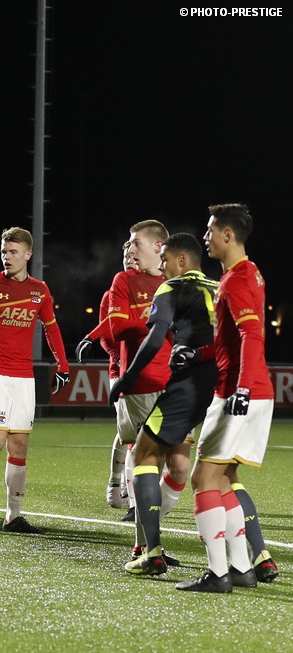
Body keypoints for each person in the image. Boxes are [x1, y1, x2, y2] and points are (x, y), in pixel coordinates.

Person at [174, 203, 279, 592]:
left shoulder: (236, 280)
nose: (205, 237)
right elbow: (232, 342)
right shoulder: (246, 274)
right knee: (223, 479)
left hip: (238, 392)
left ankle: (218, 574)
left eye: (210, 230)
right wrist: (199, 354)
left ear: (227, 235)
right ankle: (241, 568)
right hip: (246, 389)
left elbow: (252, 337)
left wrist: (243, 388)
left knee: (203, 478)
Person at [107, 233, 218, 578]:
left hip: (185, 387)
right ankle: (252, 559)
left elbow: (155, 338)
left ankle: (149, 550)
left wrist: (126, 378)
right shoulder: (220, 287)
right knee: (207, 473)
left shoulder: (171, 288)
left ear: (181, 259)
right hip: (221, 390)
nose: (163, 266)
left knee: (143, 455)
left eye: (166, 259)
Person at [0, 227, 69, 534]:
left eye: (13, 252)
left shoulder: (39, 290)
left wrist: (63, 365)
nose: (7, 257)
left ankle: (13, 516)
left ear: (28, 254)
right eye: (4, 251)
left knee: (19, 445)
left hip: (23, 375)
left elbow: (51, 329)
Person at [102, 220, 191, 563]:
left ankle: (149, 536)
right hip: (140, 385)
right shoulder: (124, 281)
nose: (129, 249)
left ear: (157, 247)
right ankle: (147, 546)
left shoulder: (175, 283)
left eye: (135, 243)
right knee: (148, 462)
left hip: (177, 386)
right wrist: (159, 322)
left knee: (180, 468)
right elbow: (117, 328)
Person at [76, 243, 136, 512]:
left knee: (141, 435)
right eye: (125, 256)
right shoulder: (111, 294)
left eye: (134, 255)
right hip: (120, 372)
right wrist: (119, 358)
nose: (129, 260)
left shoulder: (156, 288)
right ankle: (119, 485)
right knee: (128, 433)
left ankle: (132, 489)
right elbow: (107, 333)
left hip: (150, 371)